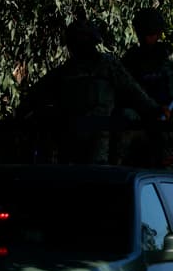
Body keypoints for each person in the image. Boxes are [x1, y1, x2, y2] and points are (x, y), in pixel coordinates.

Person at [15, 17, 160, 164]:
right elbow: (35, 96)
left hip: (100, 138)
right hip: (70, 140)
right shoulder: (65, 72)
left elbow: (134, 92)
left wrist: (155, 111)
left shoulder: (107, 66)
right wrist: (20, 115)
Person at [121, 7, 173, 122]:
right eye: (142, 33)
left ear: (158, 34)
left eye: (150, 34)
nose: (146, 38)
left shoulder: (172, 59)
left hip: (168, 117)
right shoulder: (130, 59)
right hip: (140, 118)